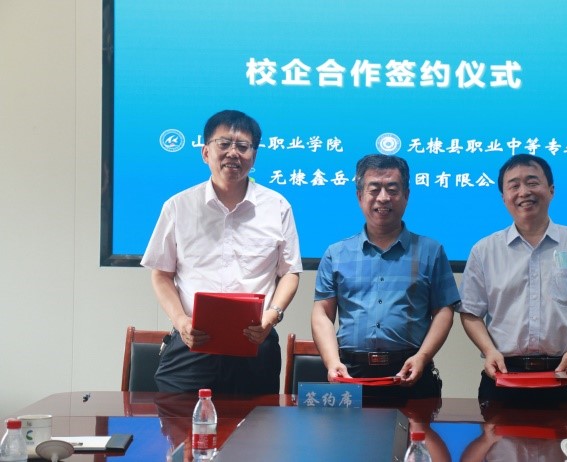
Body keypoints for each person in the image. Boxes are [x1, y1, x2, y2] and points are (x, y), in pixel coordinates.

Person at [141, 109, 302, 394]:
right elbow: (161, 274)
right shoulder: (178, 206)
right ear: (205, 152)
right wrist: (180, 321)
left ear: (254, 155)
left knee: (256, 422)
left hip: (255, 343)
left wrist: (273, 315)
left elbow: (289, 272)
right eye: (224, 144)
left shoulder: (277, 207)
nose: (233, 153)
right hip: (193, 341)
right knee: (178, 419)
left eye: (243, 146)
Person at [458, 153, 567, 404]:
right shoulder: (484, 250)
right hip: (504, 375)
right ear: (504, 197)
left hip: (565, 374)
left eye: (532, 182)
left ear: (551, 190)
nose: (524, 192)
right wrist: (489, 350)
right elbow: (470, 312)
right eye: (514, 186)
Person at [311, 154, 460, 400]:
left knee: (416, 428)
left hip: (411, 372)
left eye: (392, 189)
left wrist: (422, 357)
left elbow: (444, 311)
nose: (383, 198)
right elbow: (322, 314)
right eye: (374, 189)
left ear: (406, 195)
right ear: (360, 196)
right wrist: (332, 361)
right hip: (351, 373)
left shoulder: (431, 251)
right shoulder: (336, 254)